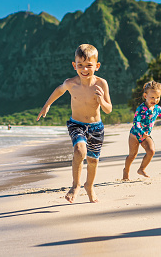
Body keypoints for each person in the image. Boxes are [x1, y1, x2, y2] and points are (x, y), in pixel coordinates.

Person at [37, 44, 112, 203]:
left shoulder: (101, 84)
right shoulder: (71, 83)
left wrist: (101, 101)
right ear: (74, 65)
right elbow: (59, 90)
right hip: (76, 124)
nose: (84, 69)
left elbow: (108, 109)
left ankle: (89, 186)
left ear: (97, 66)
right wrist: (47, 105)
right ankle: (76, 185)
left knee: (93, 160)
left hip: (96, 127)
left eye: (89, 66)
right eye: (80, 65)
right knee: (79, 150)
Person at [123, 80, 161, 180]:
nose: (155, 100)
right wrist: (141, 132)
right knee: (132, 155)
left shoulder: (158, 109)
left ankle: (141, 169)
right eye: (152, 97)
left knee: (151, 151)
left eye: (157, 97)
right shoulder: (141, 109)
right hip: (135, 134)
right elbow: (136, 123)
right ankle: (126, 171)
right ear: (145, 96)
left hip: (146, 135)